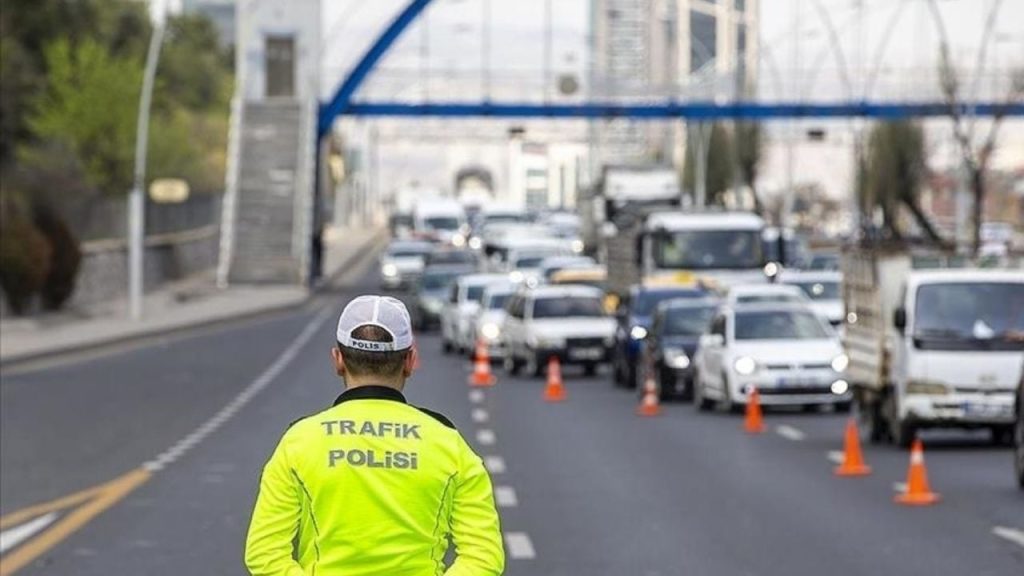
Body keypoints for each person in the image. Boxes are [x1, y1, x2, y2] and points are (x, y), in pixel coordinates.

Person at [244, 295, 505, 575]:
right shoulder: (449, 444)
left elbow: (264, 554)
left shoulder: (299, 441)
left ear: (338, 360)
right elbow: (483, 557)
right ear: (410, 361)